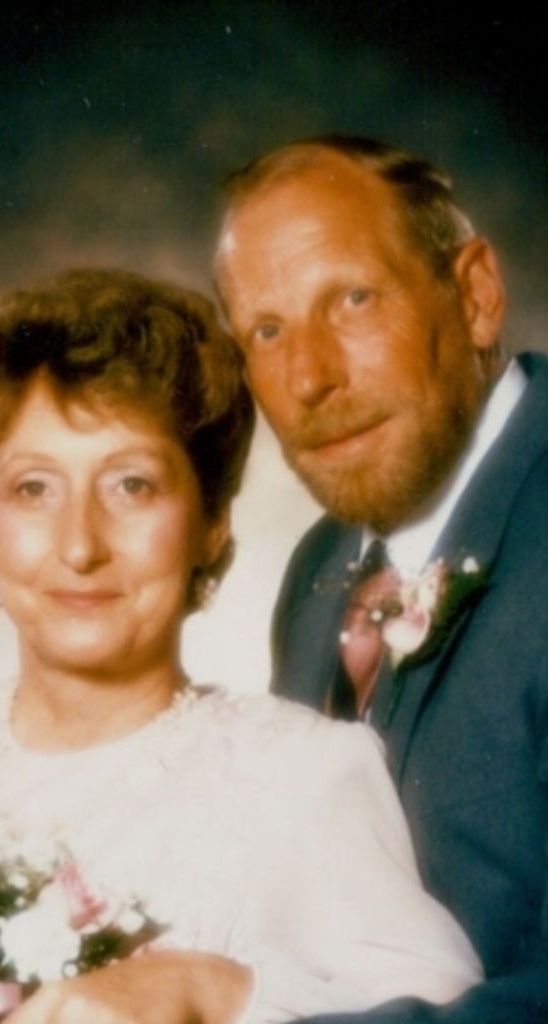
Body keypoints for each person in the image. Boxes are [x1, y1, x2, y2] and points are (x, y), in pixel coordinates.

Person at [0, 268, 481, 1024]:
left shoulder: (300, 779)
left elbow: (460, 1014)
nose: (79, 546)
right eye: (34, 489)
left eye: (132, 486)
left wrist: (218, 992)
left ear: (210, 525)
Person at [213, 135, 548, 1022]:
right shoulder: (320, 571)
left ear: (475, 297)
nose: (308, 378)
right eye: (267, 330)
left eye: (353, 300)